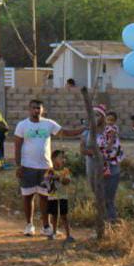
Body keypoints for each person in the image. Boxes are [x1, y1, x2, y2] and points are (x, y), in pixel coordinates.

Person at [13, 99, 85, 236]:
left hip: (46, 168)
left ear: (42, 110)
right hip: (27, 167)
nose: (36, 110)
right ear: (29, 109)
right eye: (33, 108)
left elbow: (65, 132)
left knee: (45, 197)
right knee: (27, 197)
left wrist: (82, 130)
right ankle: (29, 225)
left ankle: (46, 226)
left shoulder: (49, 124)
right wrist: (18, 165)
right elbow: (17, 146)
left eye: (38, 108)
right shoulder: (22, 125)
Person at [84, 107, 124, 223]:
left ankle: (111, 222)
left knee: (108, 198)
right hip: (94, 169)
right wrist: (96, 153)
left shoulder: (111, 130)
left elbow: (112, 144)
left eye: (98, 115)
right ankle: (102, 223)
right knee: (99, 197)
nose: (95, 118)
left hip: (111, 167)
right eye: (93, 115)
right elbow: (83, 149)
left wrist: (102, 152)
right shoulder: (88, 132)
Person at [43, 149, 74, 242]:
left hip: (63, 196)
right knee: (54, 215)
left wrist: (58, 178)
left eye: (63, 158)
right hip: (52, 196)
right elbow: (45, 182)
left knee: (64, 215)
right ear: (53, 159)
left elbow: (67, 181)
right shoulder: (49, 171)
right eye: (60, 157)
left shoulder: (65, 171)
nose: (63, 160)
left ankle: (68, 235)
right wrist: (50, 179)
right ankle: (54, 233)